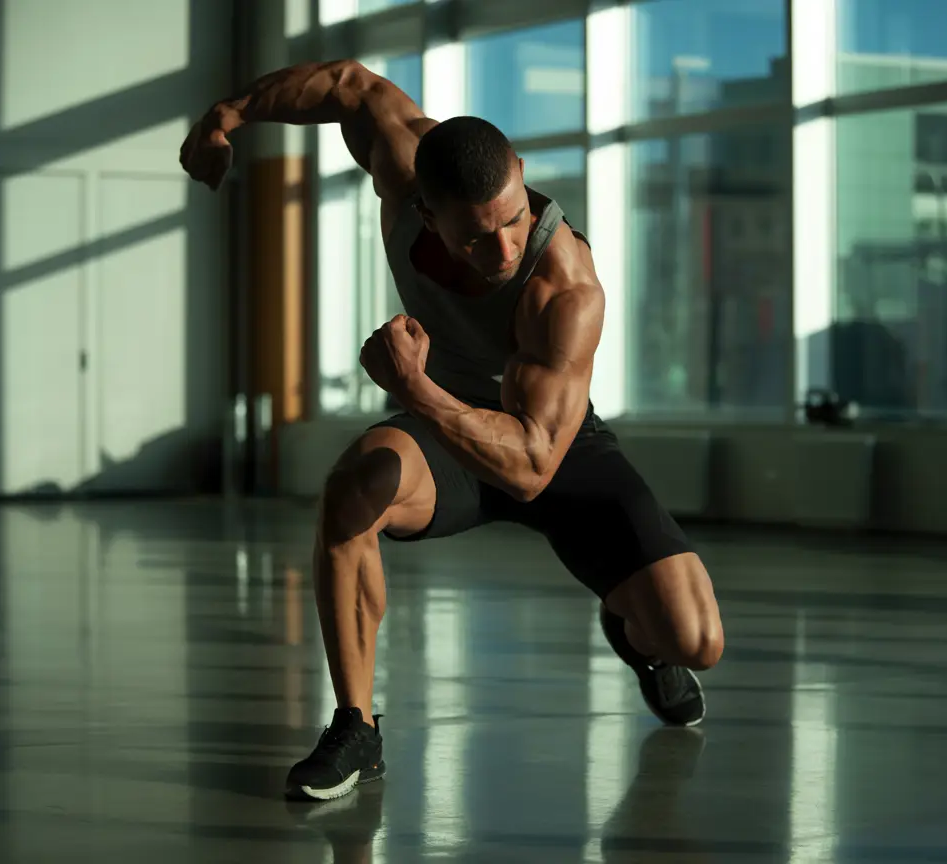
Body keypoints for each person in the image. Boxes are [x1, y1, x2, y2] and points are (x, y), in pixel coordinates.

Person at [180, 60, 725, 802]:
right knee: (353, 490)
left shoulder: (565, 286)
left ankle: (636, 637)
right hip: (447, 445)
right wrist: (229, 114)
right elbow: (345, 85)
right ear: (427, 213)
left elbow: (532, 468)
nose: (500, 251)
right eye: (473, 239)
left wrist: (415, 389)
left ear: (522, 177)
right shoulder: (405, 169)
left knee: (697, 640)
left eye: (511, 222)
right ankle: (355, 726)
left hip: (554, 445)